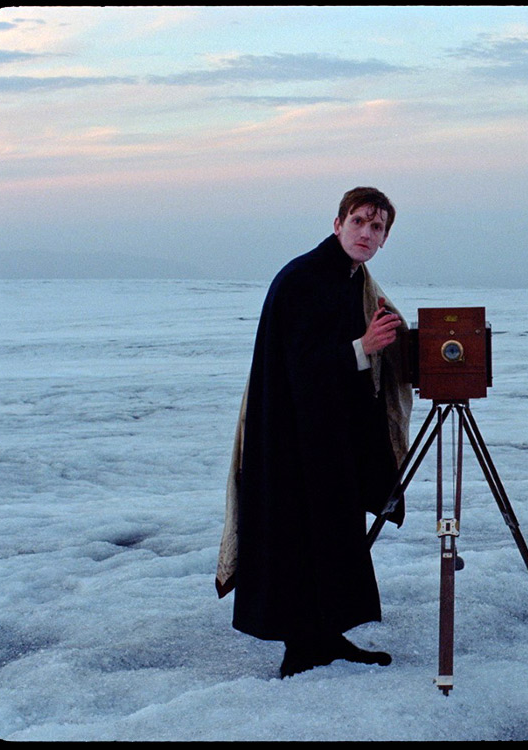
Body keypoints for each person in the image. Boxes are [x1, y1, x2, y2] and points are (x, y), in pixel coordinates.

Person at [216, 187, 413, 677]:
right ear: (337, 223)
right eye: (360, 222)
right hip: (290, 439)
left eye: (378, 227)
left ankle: (326, 634)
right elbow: (296, 364)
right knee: (297, 537)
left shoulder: (354, 280)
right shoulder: (303, 278)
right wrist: (362, 346)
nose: (367, 233)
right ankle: (301, 648)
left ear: (385, 238)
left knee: (331, 533)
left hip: (329, 435)